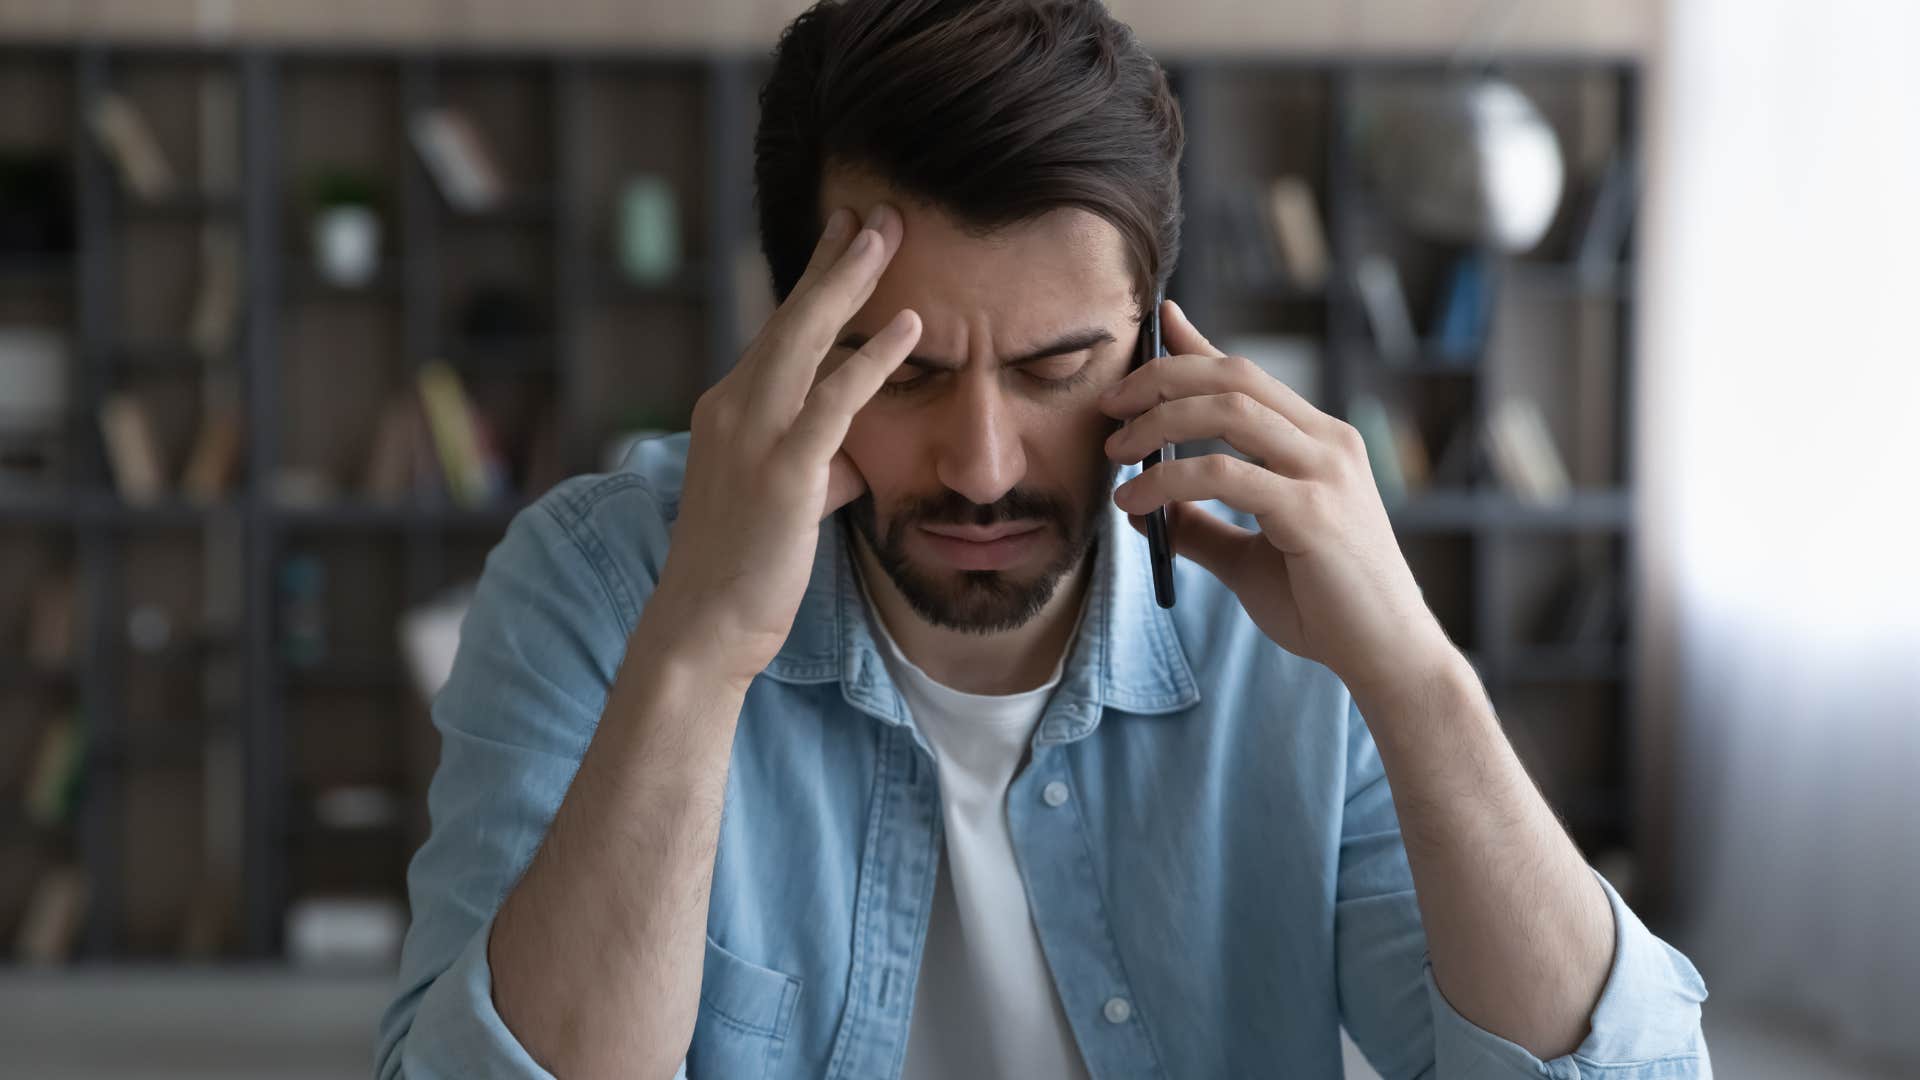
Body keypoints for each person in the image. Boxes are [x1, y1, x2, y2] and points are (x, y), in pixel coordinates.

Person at [376, 1, 1709, 1077]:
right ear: (788, 346)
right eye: (901, 375)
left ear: (1154, 343)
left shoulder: (1286, 612)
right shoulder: (601, 582)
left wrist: (1419, 682)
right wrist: (698, 656)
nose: (983, 466)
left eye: (1058, 365)